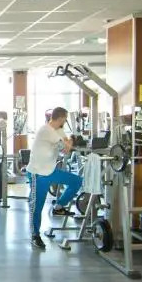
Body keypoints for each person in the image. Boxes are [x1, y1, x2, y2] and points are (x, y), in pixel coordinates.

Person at [26, 107, 83, 250]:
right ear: (61, 118)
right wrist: (71, 140)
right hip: (38, 173)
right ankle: (34, 235)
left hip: (50, 170)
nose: (65, 122)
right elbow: (66, 148)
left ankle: (58, 207)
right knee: (36, 206)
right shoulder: (46, 130)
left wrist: (68, 142)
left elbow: (65, 148)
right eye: (65, 119)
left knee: (76, 181)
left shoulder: (59, 130)